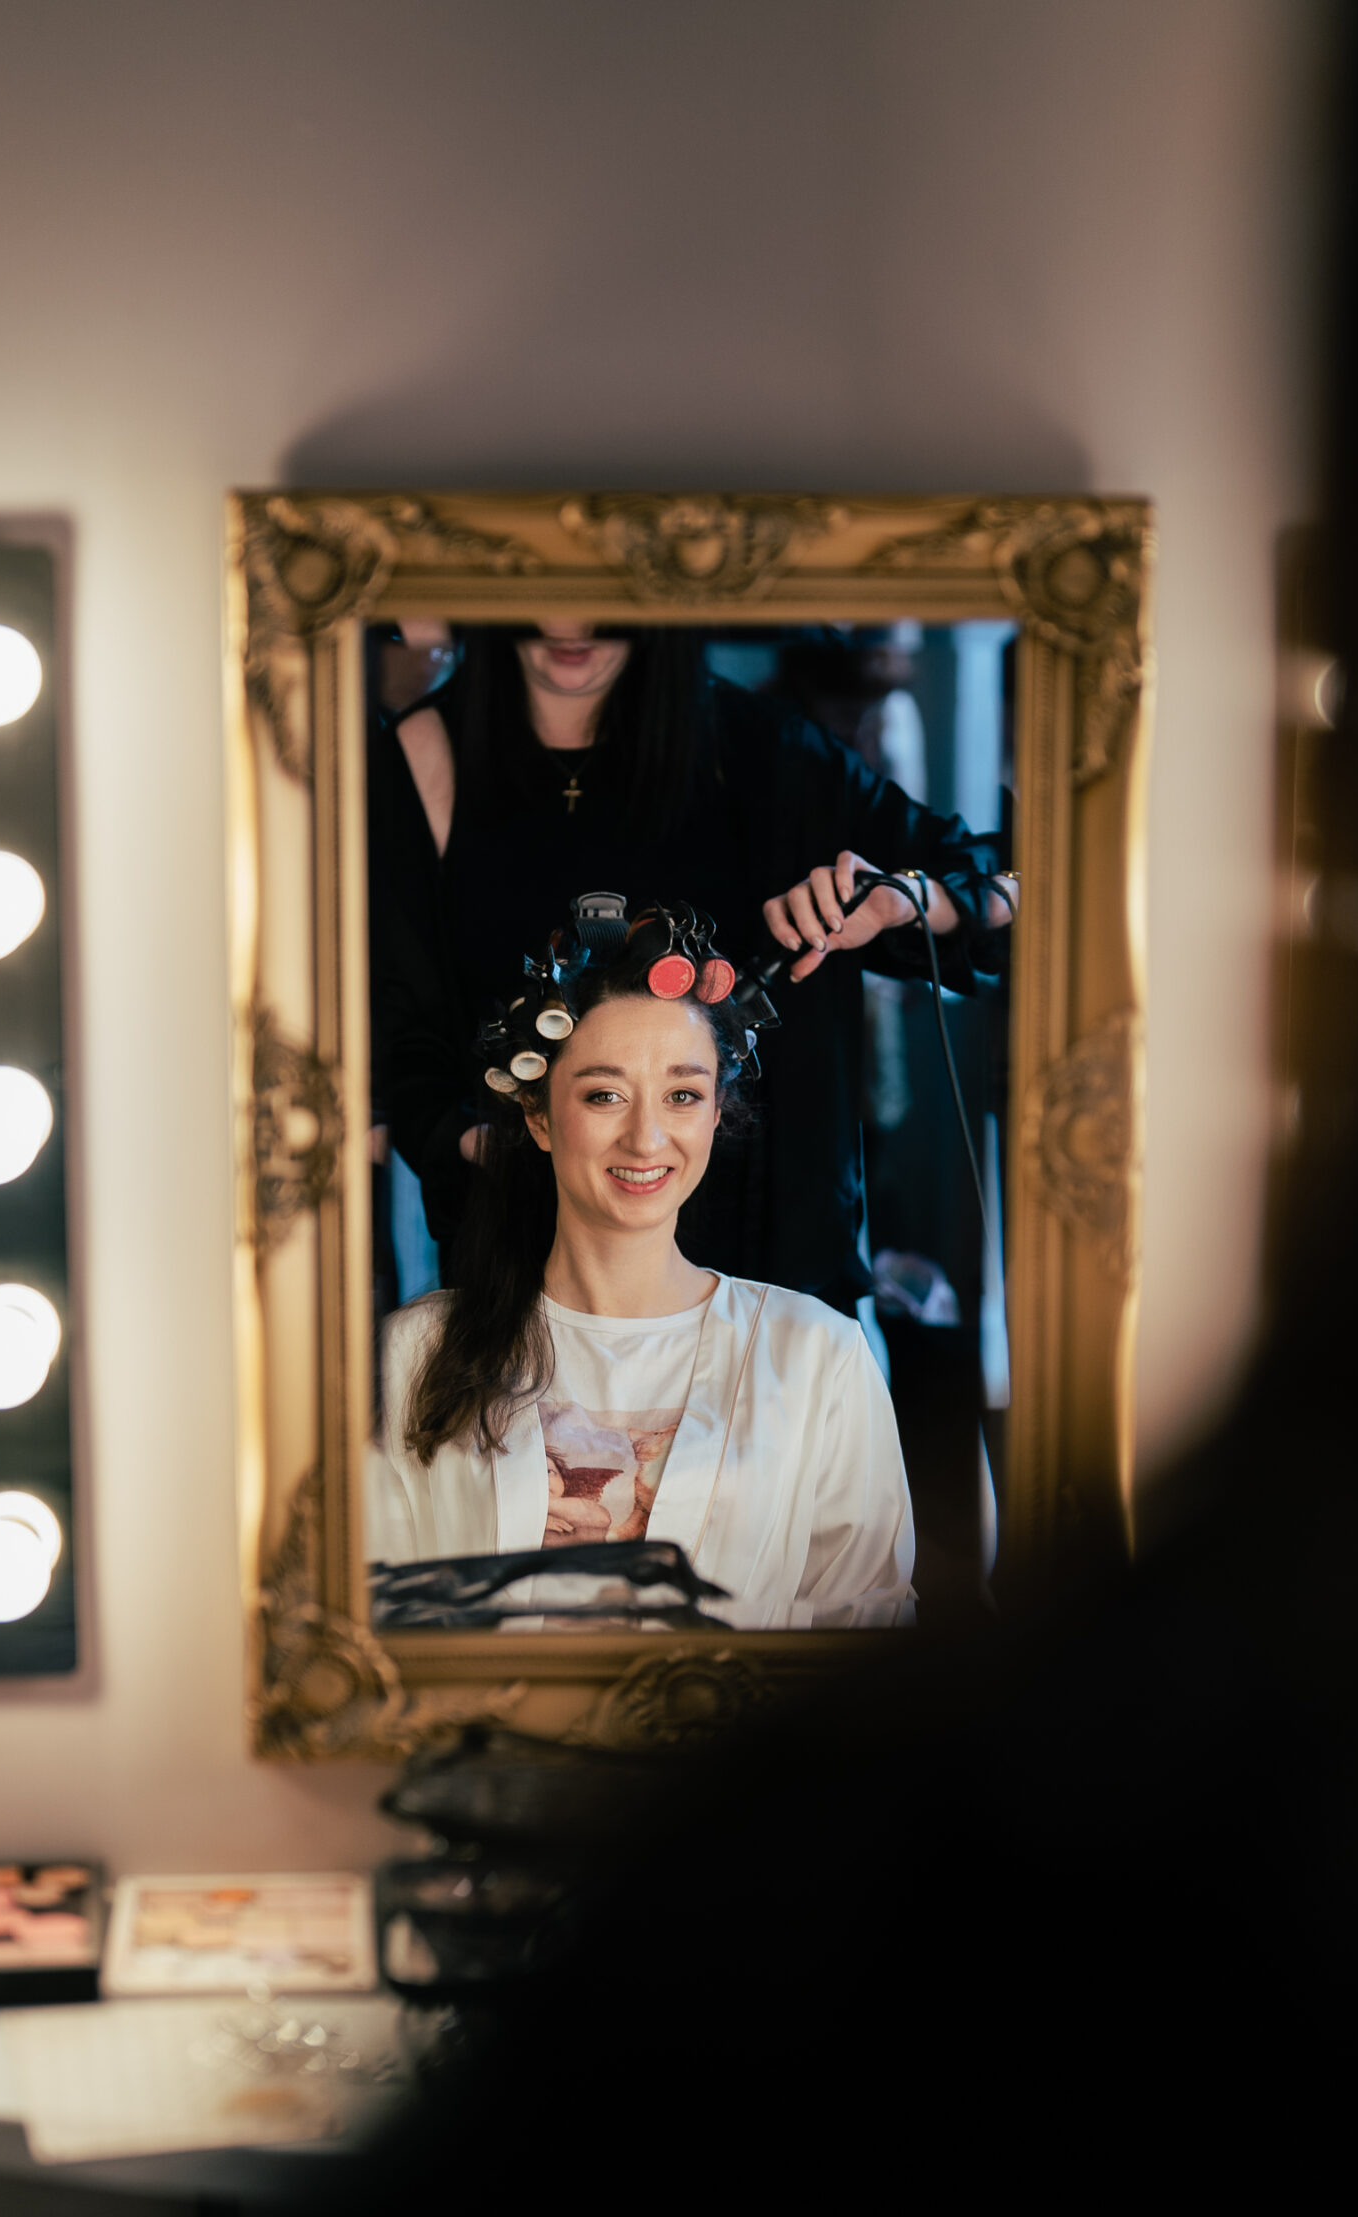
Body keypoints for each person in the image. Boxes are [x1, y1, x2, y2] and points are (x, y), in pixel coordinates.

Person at [367, 618, 1011, 1311]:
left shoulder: (771, 753)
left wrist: (910, 899)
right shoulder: (421, 755)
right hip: (533, 1268)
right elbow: (395, 1023)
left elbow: (1014, 883)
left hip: (764, 1273)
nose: (568, 620)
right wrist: (471, 1143)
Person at [365, 903, 916, 1629]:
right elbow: (377, 1621)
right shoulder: (417, 1351)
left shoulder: (816, 1355)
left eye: (682, 1095)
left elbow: (868, 1635)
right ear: (536, 1115)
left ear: (716, 1114)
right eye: (604, 1095)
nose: (645, 1136)